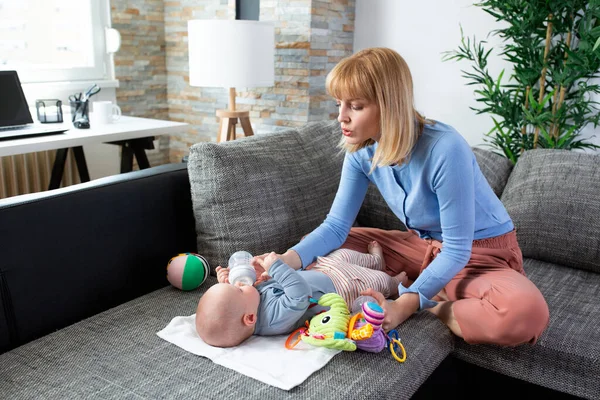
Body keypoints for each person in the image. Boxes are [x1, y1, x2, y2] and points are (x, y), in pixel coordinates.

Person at [253, 47, 549, 347]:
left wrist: (404, 307)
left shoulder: (446, 149)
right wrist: (284, 260)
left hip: (479, 255)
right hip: (422, 248)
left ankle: (432, 301)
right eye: (339, 104)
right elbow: (335, 227)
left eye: (355, 106)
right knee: (317, 247)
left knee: (524, 314)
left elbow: (457, 250)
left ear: (388, 104)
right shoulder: (360, 151)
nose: (341, 117)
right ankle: (423, 286)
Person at [196, 242, 407, 347]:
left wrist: (228, 281)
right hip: (343, 287)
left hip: (322, 270)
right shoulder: (272, 319)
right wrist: (276, 268)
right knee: (378, 281)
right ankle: (396, 283)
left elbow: (252, 294)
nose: (242, 285)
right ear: (250, 318)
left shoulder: (250, 303)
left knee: (345, 254)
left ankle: (376, 261)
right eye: (239, 288)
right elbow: (300, 294)